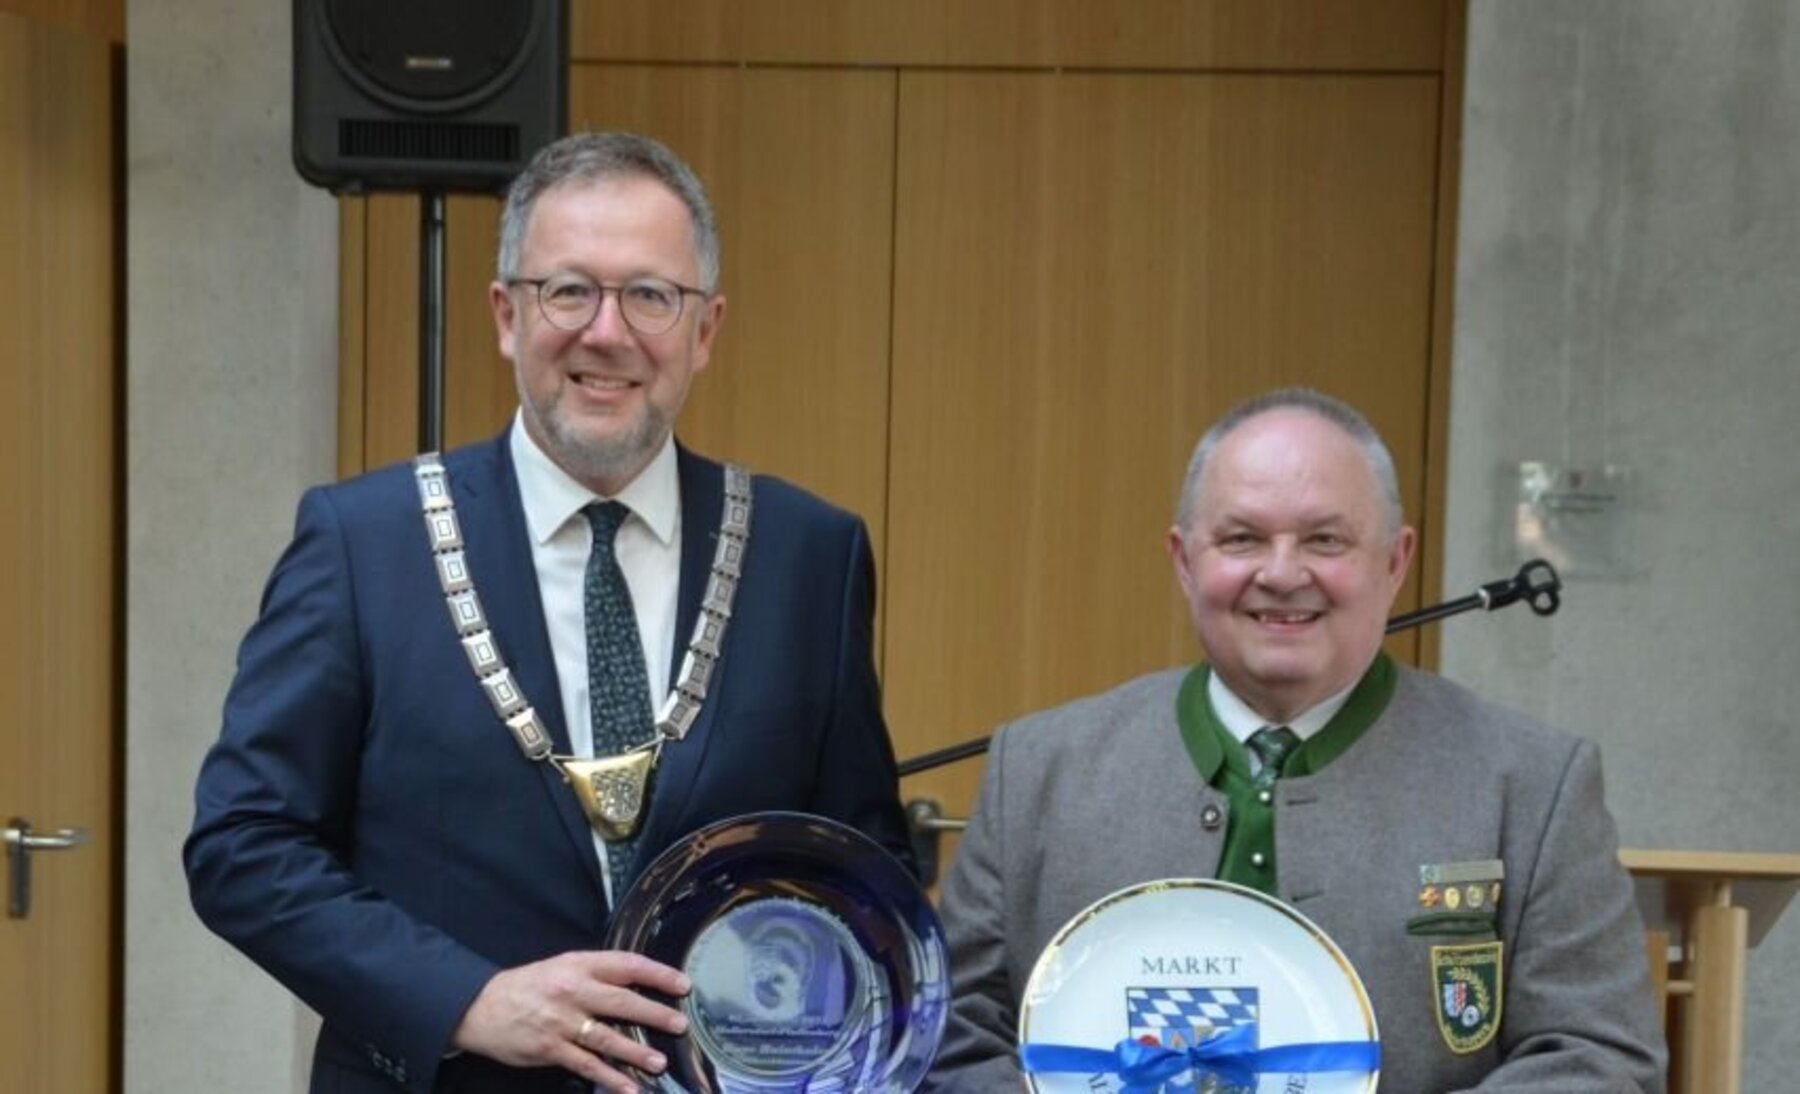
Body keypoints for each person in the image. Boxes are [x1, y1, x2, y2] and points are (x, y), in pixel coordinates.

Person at [186, 132, 913, 1094]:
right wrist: (465, 999)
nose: (607, 333)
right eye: (569, 291)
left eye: (650, 295)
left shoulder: (808, 555)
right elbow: (243, 847)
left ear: (705, 330)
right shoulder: (364, 543)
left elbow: (862, 865)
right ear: (506, 314)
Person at [924, 389, 1666, 1091]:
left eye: (1325, 539)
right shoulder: (1038, 771)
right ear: (1185, 562)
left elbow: (1601, 1059)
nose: (1282, 574)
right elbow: (948, 1034)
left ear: (1395, 561)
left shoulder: (1532, 784)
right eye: (1242, 538)